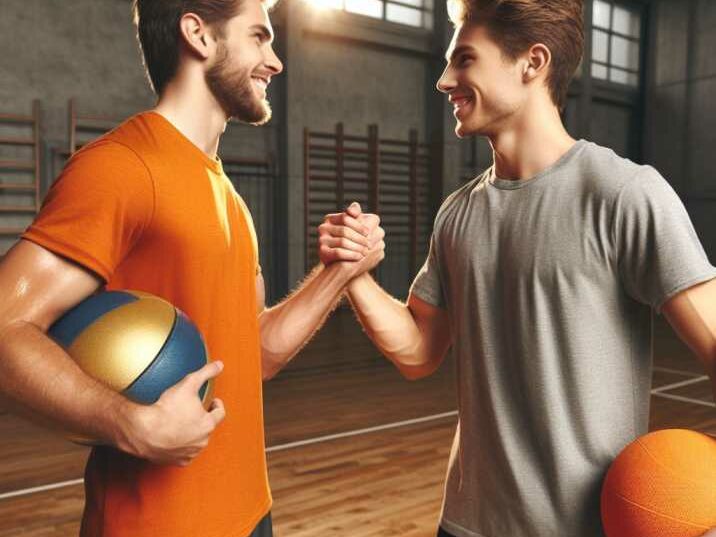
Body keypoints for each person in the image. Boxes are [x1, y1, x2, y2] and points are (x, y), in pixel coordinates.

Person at [318, 0, 716, 536]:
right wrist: (354, 274)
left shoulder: (623, 194)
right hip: (466, 523)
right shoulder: (457, 213)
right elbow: (418, 351)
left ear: (532, 62)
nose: (443, 81)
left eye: (464, 60)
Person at [0, 1, 384, 536]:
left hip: (249, 511)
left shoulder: (229, 197)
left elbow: (253, 353)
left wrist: (339, 273)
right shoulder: (120, 168)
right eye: (259, 37)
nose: (275, 62)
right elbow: (4, 327)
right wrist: (128, 423)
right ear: (198, 35)